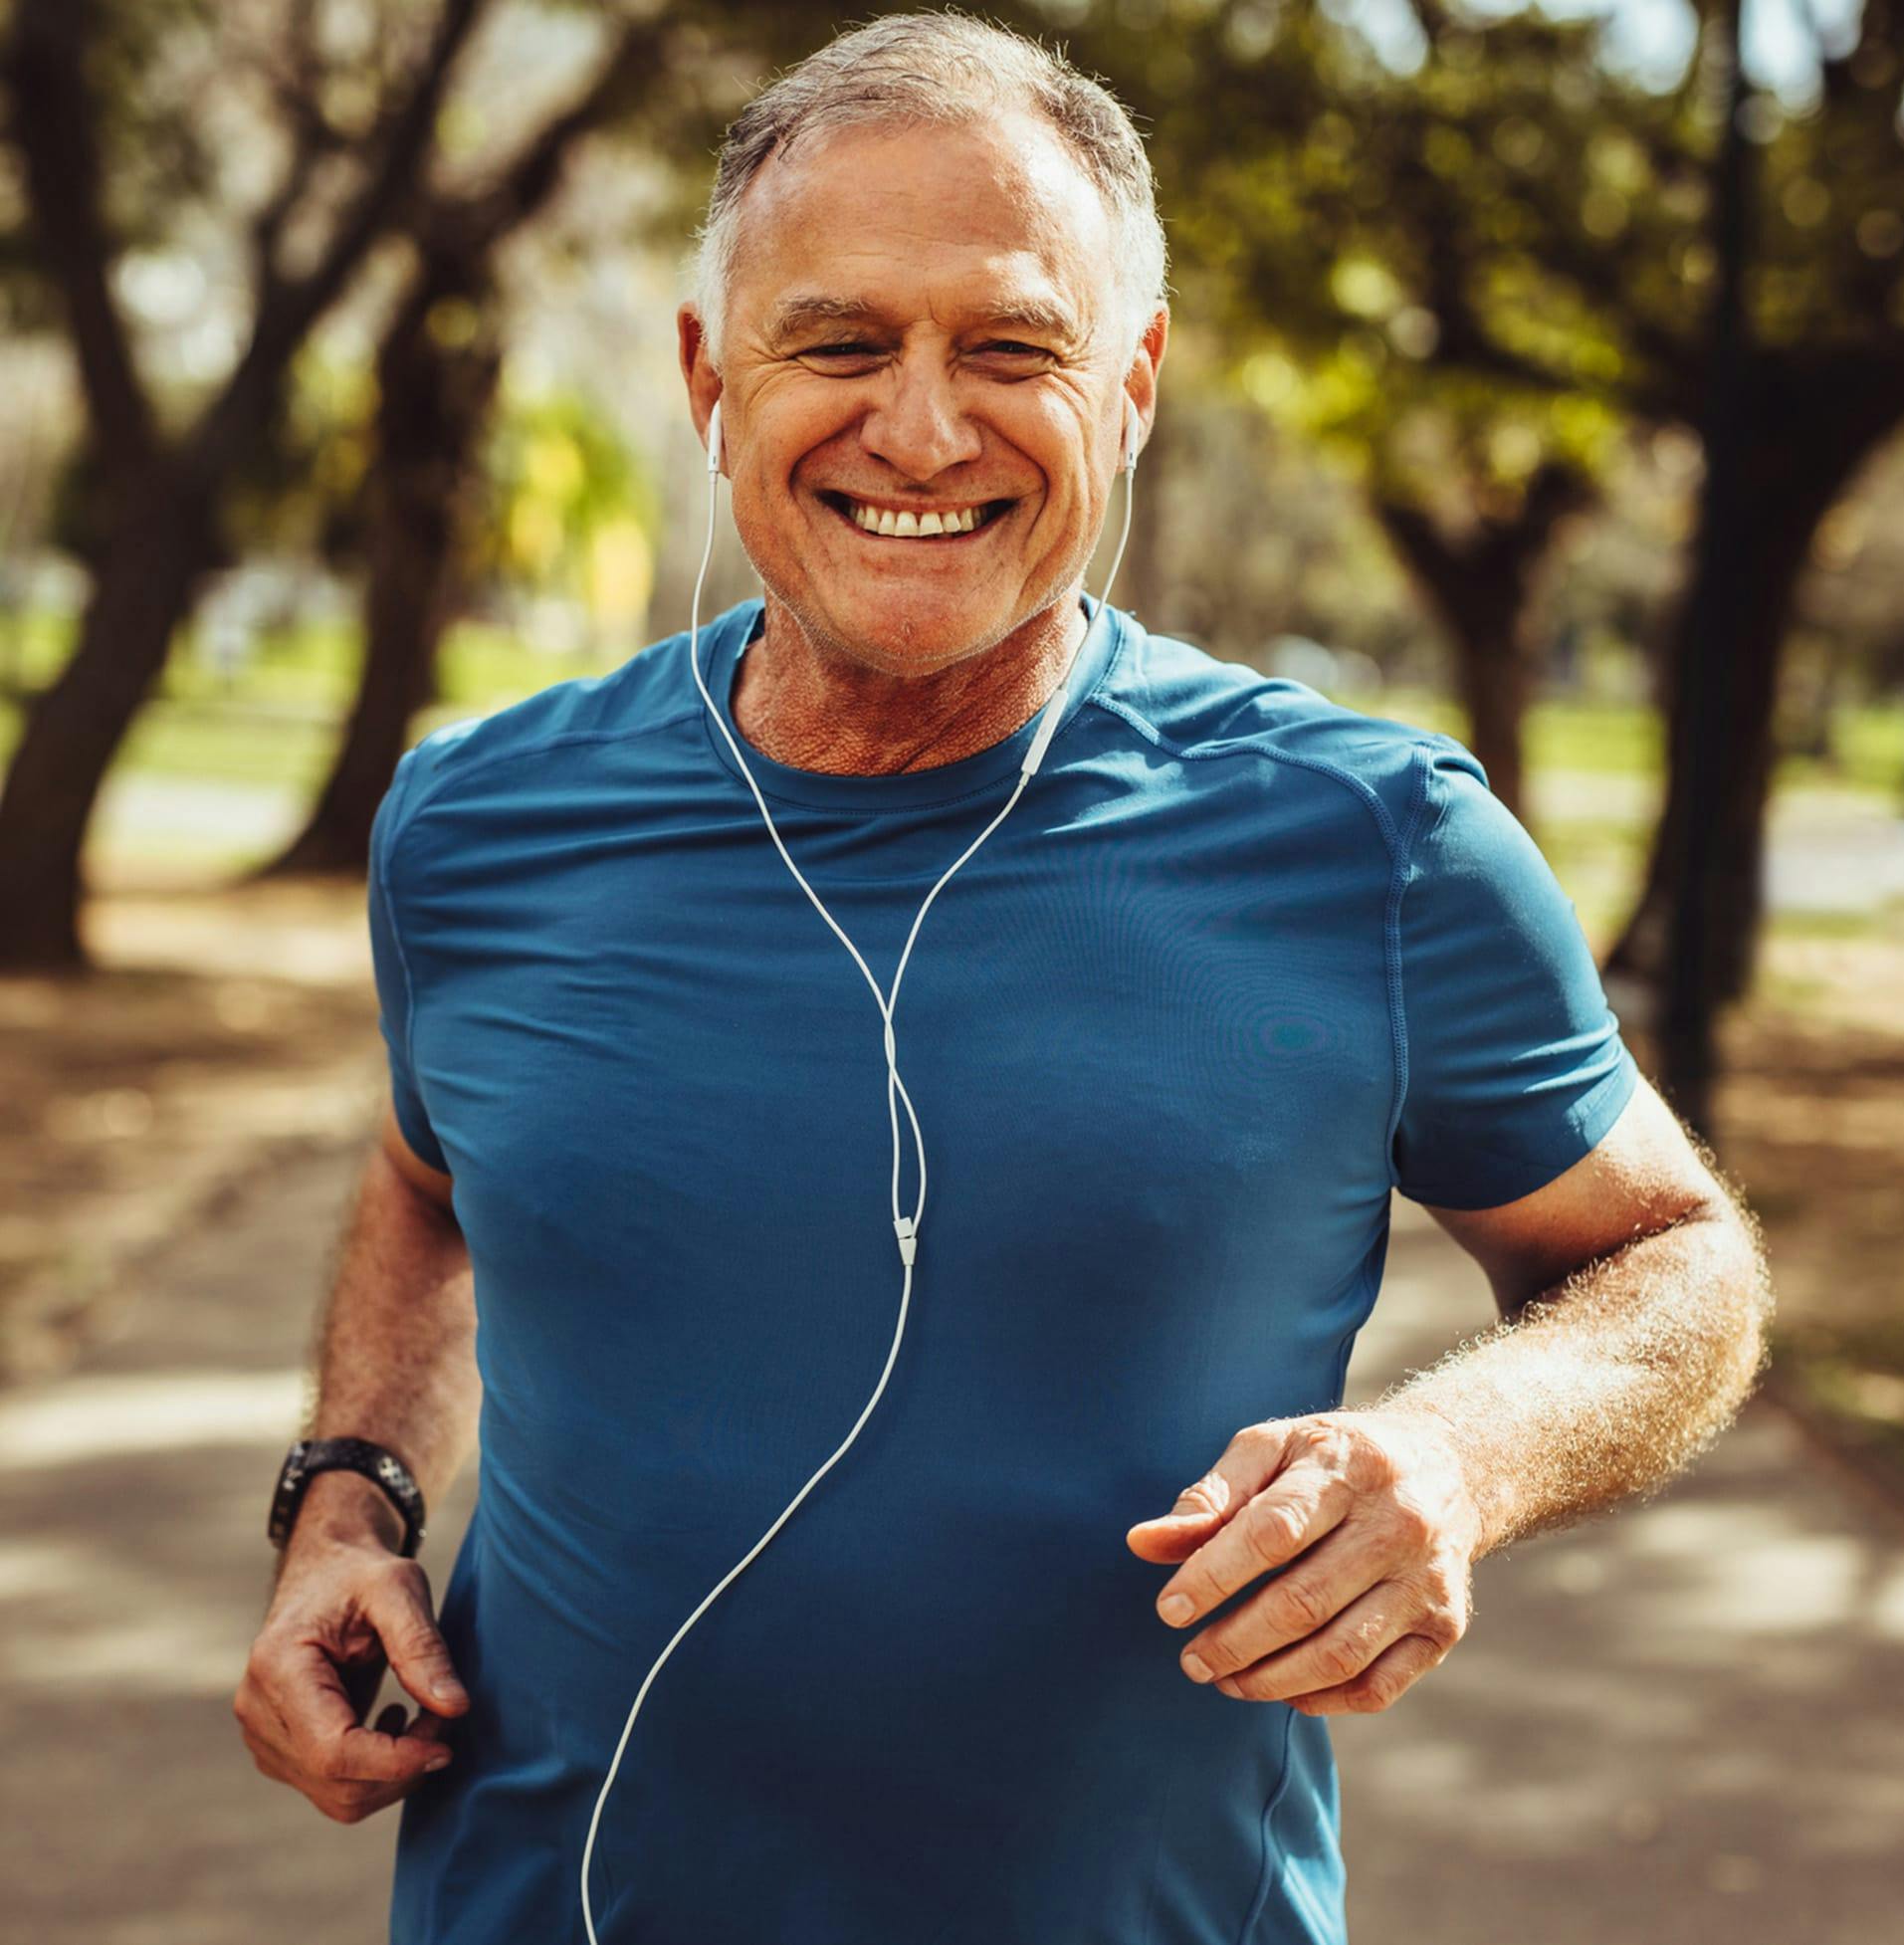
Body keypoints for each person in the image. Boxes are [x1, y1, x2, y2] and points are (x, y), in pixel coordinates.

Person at [233, 15, 1773, 1944]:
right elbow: (425, 1179)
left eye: (1011, 346)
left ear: (1129, 386)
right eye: (841, 340)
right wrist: (346, 1504)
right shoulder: (474, 820)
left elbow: (1674, 1258)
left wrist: (1454, 1457)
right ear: (711, 377)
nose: (923, 426)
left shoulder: (1374, 841)